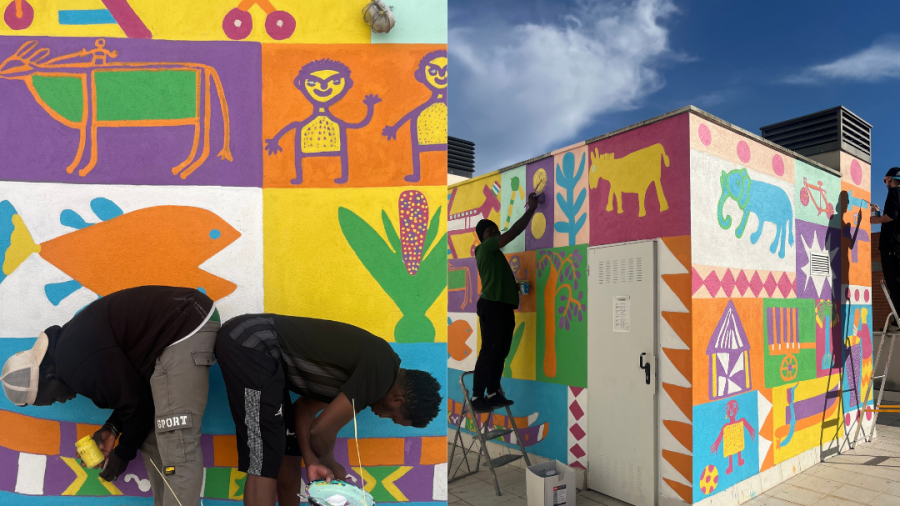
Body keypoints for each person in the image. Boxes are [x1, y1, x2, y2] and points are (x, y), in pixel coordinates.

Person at [0, 286, 220, 506]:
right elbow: (133, 395)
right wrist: (113, 428)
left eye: (51, 399)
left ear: (49, 378)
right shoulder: (70, 351)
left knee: (176, 441)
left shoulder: (74, 362)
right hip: (174, 332)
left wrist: (122, 455)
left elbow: (137, 406)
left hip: (187, 323)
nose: (61, 401)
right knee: (150, 439)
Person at [214, 314, 442, 506]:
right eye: (393, 417)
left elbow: (302, 411)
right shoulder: (381, 372)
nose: (383, 416)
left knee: (286, 446)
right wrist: (331, 464)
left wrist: (312, 459)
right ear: (398, 400)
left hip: (266, 358)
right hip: (251, 344)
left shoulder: (372, 373)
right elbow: (321, 432)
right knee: (264, 457)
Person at [471, 192, 541, 412]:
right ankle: (476, 398)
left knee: (500, 352)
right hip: (492, 306)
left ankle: (492, 393)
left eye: (494, 229)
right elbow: (513, 233)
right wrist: (531, 209)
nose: (493, 232)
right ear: (483, 238)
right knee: (489, 352)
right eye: (488, 231)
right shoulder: (484, 248)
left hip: (502, 307)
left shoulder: (494, 256)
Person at [872, 167, 900, 331]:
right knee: (895, 281)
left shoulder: (895, 192)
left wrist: (872, 220)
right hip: (896, 246)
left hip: (891, 246)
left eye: (885, 181)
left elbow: (891, 217)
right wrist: (878, 213)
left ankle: (897, 321)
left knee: (894, 283)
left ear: (890, 179)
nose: (885, 184)